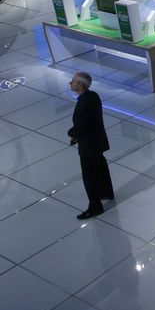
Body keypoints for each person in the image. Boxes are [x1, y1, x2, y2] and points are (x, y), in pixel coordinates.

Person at [68, 72, 114, 220]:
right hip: (98, 141)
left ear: (81, 85)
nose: (70, 83)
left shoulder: (84, 102)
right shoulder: (93, 96)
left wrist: (72, 132)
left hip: (89, 145)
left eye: (73, 82)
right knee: (100, 167)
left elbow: (81, 125)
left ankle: (95, 206)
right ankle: (106, 192)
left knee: (89, 175)